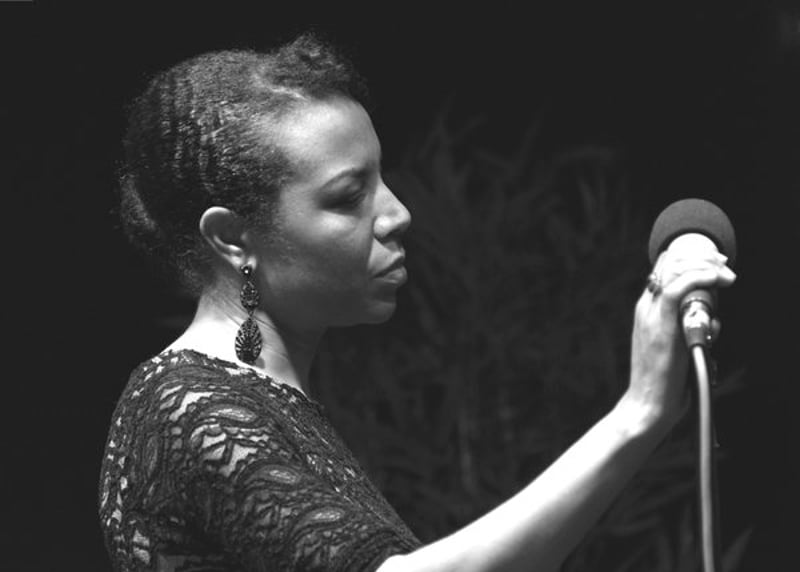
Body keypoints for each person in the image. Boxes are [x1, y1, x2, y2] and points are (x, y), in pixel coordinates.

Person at [98, 32, 736, 572]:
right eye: (348, 197)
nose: (398, 213)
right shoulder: (185, 407)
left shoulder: (259, 400)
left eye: (382, 179)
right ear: (232, 238)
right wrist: (639, 413)